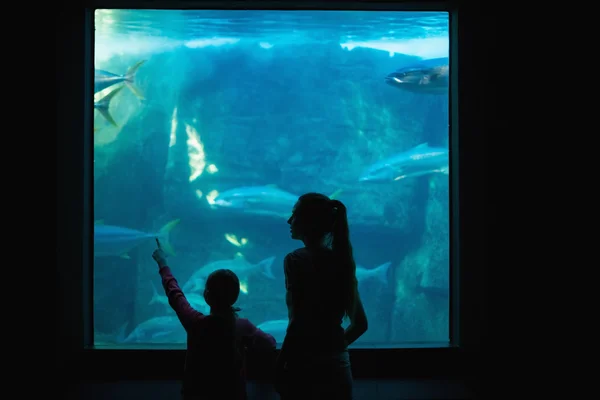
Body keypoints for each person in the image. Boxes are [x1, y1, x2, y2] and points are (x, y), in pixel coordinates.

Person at [152, 239, 276, 400]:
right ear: (235, 296)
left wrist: (163, 263)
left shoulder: (195, 322)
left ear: (206, 295)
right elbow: (270, 343)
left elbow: (175, 294)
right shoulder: (242, 326)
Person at [275, 193, 369, 400]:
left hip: (304, 368)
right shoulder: (342, 261)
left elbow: (297, 320)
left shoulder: (296, 260)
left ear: (311, 222)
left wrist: (281, 363)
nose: (289, 220)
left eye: (295, 215)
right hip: (338, 367)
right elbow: (360, 324)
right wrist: (332, 349)